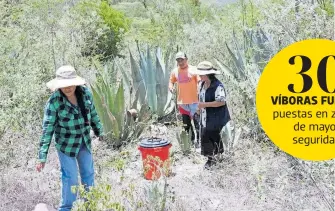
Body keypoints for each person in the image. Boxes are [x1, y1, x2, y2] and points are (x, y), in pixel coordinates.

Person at [36, 65, 103, 211]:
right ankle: (66, 208)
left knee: (88, 174)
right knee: (70, 178)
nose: (67, 88)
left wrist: (100, 132)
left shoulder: (85, 94)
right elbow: (47, 129)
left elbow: (94, 115)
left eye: (70, 84)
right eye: (64, 85)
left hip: (84, 141)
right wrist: (42, 156)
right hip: (66, 145)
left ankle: (89, 206)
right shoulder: (54, 102)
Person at [195, 61, 231, 169]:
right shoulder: (201, 84)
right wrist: (198, 108)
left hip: (217, 117)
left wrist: (204, 105)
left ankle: (215, 159)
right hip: (206, 116)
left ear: (208, 74)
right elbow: (200, 98)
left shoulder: (217, 86)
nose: (200, 75)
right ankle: (210, 159)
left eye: (201, 74)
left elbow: (221, 102)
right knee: (206, 136)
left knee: (214, 136)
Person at [169, 52, 200, 146]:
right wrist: (171, 87)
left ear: (186, 59)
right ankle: (191, 141)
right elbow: (171, 81)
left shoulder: (194, 69)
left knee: (197, 123)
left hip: (194, 101)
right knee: (186, 124)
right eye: (178, 60)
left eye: (182, 59)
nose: (180, 62)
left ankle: (199, 142)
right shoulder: (175, 71)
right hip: (182, 102)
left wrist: (199, 91)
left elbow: (199, 81)